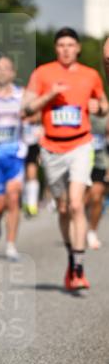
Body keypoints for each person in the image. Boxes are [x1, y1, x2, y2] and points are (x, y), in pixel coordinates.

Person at [22, 27, 107, 290]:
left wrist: (100, 108)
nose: (66, 49)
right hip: (51, 148)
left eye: (71, 45)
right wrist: (49, 95)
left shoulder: (90, 75)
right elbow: (26, 108)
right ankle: (72, 258)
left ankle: (79, 268)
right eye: (61, 45)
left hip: (81, 144)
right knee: (62, 208)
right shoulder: (43, 73)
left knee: (76, 204)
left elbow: (104, 105)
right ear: (56, 48)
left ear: (78, 48)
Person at [0, 56, 26, 261]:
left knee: (14, 198)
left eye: (6, 68)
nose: (2, 72)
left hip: (16, 156)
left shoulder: (22, 96)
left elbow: (33, 117)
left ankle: (10, 245)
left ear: (13, 73)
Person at [86, 112, 107, 249]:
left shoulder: (106, 116)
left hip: (100, 162)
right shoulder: (78, 111)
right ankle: (80, 225)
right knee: (82, 200)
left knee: (97, 196)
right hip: (81, 162)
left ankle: (92, 231)